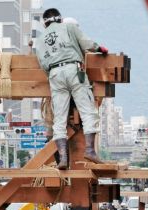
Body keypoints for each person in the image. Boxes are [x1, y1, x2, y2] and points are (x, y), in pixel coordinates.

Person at [34, 8, 108, 169]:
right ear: (60, 19)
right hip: (73, 70)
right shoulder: (69, 28)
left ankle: (62, 159)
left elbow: (42, 64)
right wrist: (100, 49)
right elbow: (88, 44)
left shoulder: (39, 40)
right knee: (88, 112)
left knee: (59, 119)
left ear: (45, 23)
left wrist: (54, 72)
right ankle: (89, 150)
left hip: (54, 75)